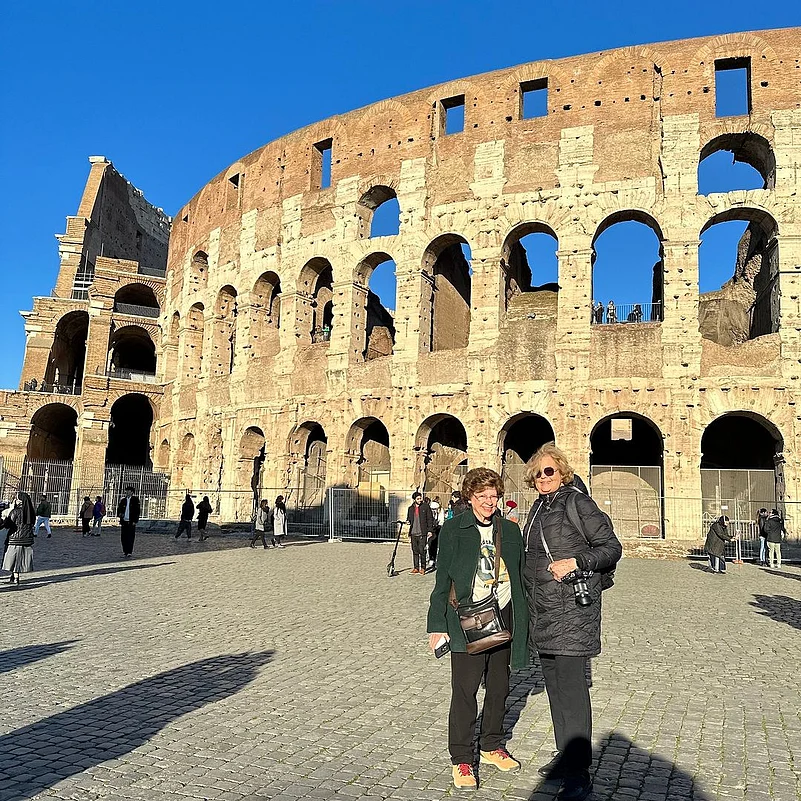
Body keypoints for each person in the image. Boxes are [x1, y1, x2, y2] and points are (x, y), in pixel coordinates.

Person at [522, 443, 622, 801]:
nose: (543, 477)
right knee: (555, 690)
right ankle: (565, 755)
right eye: (537, 473)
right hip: (543, 611)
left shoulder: (578, 503)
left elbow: (611, 547)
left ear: (562, 472)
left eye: (549, 471)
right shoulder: (538, 507)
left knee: (572, 692)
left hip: (571, 614)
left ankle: (579, 772)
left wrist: (576, 562)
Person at [427, 467, 529, 792]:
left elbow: (522, 575)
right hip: (466, 619)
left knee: (499, 688)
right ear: (470, 497)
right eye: (482, 495)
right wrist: (436, 625)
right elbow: (442, 579)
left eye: (493, 496)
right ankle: (461, 758)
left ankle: (490, 746)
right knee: (465, 692)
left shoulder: (509, 530)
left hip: (503, 616)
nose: (488, 501)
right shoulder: (454, 529)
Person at [1, 492, 36, 586]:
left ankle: (16, 578)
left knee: (14, 559)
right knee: (19, 559)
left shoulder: (15, 511)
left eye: (16, 499)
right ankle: (13, 577)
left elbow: (7, 525)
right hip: (27, 539)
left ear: (19, 501)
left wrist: (7, 514)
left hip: (14, 539)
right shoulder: (31, 512)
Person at [407, 492, 434, 575]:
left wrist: (430, 530)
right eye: (418, 499)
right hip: (413, 532)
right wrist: (408, 521)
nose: (420, 500)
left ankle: (423, 568)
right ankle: (416, 567)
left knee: (422, 550)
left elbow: (430, 519)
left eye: (420, 498)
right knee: (415, 550)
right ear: (414, 499)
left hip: (422, 532)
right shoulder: (410, 508)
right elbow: (409, 518)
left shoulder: (425, 507)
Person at [117, 486, 141, 558]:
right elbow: (119, 509)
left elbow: (137, 511)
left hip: (131, 521)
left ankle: (129, 552)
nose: (127, 492)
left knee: (130, 537)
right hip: (124, 521)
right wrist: (120, 514)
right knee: (123, 537)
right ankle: (125, 551)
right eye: (126, 491)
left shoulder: (135, 500)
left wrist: (135, 520)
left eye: (128, 491)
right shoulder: (123, 500)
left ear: (132, 492)